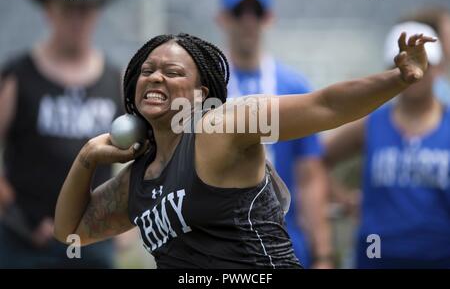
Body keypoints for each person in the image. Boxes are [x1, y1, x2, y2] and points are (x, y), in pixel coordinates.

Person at [54, 30, 434, 269]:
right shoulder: (139, 178)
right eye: (147, 69)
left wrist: (399, 79)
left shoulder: (221, 128)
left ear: (201, 94)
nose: (155, 76)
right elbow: (70, 231)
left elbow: (325, 106)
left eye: (172, 72)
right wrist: (87, 157)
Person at [0, 0, 121, 268]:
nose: (76, 19)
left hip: (93, 241)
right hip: (26, 243)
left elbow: (142, 153)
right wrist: (17, 215)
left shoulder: (114, 80)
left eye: (84, 9)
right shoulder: (19, 76)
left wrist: (123, 219)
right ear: (49, 11)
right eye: (68, 9)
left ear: (96, 13)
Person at [216, 0, 333, 268]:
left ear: (269, 17)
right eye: (238, 11)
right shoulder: (209, 86)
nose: (248, 20)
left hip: (283, 240)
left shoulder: (293, 86)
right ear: (222, 18)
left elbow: (309, 175)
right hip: (220, 245)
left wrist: (322, 254)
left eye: (256, 11)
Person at [324, 21, 450, 268]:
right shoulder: (372, 124)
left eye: (425, 62)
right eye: (403, 63)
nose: (417, 72)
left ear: (439, 68)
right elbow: (315, 156)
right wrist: (345, 199)